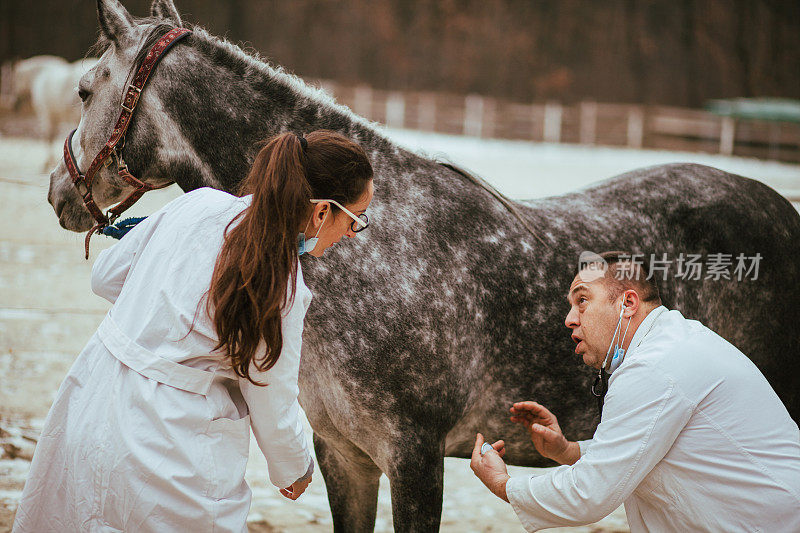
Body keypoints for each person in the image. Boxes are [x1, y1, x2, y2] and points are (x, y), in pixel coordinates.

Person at [13, 130, 375, 532]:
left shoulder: (198, 203)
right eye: (356, 220)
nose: (351, 234)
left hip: (90, 403)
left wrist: (152, 310)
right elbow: (270, 389)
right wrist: (294, 467)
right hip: (168, 448)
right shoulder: (283, 283)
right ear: (322, 211)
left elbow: (104, 277)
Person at [470, 251, 800, 532]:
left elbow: (588, 495)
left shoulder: (654, 365)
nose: (570, 319)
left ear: (628, 303)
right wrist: (569, 451)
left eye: (582, 301)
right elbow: (646, 449)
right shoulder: (671, 342)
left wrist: (503, 484)